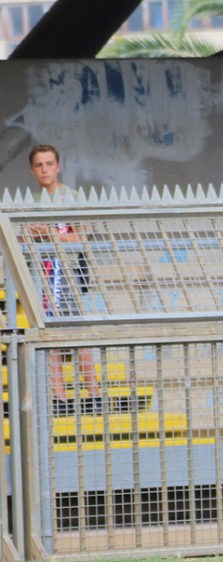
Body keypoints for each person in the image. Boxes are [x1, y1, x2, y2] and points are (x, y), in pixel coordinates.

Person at [24, 144, 101, 408]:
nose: (44, 170)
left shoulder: (73, 197)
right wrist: (31, 234)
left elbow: (81, 237)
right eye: (39, 165)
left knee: (77, 332)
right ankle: (59, 396)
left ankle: (94, 393)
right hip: (41, 272)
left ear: (58, 167)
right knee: (50, 334)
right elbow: (19, 238)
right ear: (32, 170)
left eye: (49, 164)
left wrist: (49, 234)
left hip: (67, 270)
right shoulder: (29, 202)